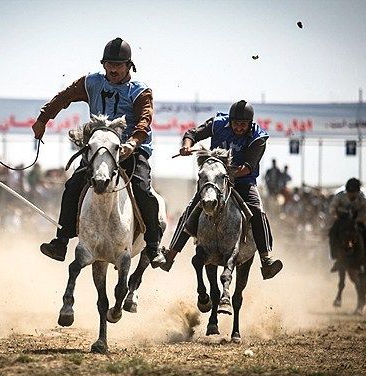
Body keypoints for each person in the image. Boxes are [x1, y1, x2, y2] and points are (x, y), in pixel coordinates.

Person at [32, 37, 165, 267]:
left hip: (129, 152)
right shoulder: (91, 83)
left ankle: (153, 247)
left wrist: (132, 143)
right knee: (73, 185)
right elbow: (64, 98)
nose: (113, 69)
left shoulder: (140, 92)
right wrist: (43, 118)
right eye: (109, 64)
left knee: (143, 190)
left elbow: (144, 121)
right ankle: (61, 242)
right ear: (103, 64)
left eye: (119, 65)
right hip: (99, 150)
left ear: (129, 66)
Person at [160, 100, 283, 280]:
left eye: (243, 125)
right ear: (230, 121)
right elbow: (192, 134)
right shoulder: (217, 123)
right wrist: (187, 145)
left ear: (250, 123)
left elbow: (248, 167)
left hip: (243, 181)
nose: (239, 128)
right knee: (190, 210)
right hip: (215, 180)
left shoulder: (258, 138)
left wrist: (225, 174)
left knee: (257, 211)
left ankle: (266, 260)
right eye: (235, 124)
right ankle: (170, 256)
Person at [328, 177, 366, 272]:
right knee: (332, 232)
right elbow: (332, 208)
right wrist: (337, 216)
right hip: (342, 219)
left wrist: (360, 219)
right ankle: (336, 257)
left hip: (358, 220)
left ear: (358, 191)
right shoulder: (339, 196)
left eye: (353, 192)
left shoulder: (365, 198)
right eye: (349, 192)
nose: (351, 194)